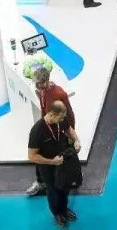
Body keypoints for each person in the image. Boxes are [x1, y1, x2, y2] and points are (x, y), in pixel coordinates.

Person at [27, 101, 81, 228]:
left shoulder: (60, 119)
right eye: (60, 118)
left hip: (63, 161)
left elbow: (69, 129)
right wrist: (52, 161)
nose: (62, 120)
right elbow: (32, 156)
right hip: (48, 166)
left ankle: (64, 209)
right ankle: (57, 213)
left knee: (65, 186)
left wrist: (76, 140)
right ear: (52, 114)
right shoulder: (37, 130)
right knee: (53, 190)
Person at [26, 66, 77, 197]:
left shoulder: (59, 94)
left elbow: (69, 114)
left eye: (39, 83)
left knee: (65, 153)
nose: (37, 86)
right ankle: (41, 182)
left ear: (46, 81)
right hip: (47, 127)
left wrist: (72, 134)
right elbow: (44, 110)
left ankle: (72, 176)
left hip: (59, 129)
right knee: (40, 154)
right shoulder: (41, 91)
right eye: (36, 83)